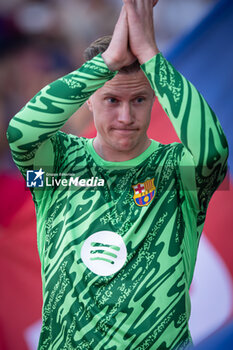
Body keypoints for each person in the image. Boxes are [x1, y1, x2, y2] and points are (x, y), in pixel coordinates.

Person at [7, 0, 228, 349]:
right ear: (88, 99)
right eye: (112, 100)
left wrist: (151, 56)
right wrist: (106, 63)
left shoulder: (175, 170)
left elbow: (213, 151)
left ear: (153, 100)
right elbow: (22, 132)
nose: (125, 116)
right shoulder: (57, 169)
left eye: (138, 100)